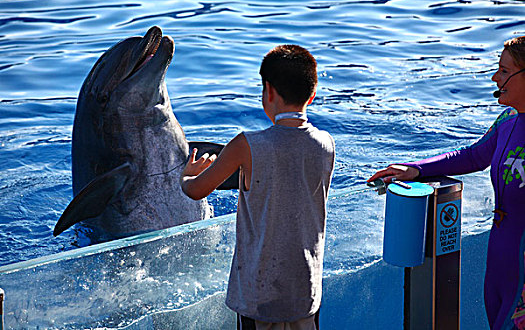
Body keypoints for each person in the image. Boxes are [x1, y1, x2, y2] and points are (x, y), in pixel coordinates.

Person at [368, 36, 525, 330]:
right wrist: (415, 169)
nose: (495, 77)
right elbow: (473, 156)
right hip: (499, 266)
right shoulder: (507, 120)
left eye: (504, 71)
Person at [180, 44, 335, 330]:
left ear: (269, 91)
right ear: (312, 95)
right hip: (305, 290)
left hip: (258, 296)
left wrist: (188, 174)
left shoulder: (247, 145)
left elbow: (196, 190)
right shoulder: (325, 144)